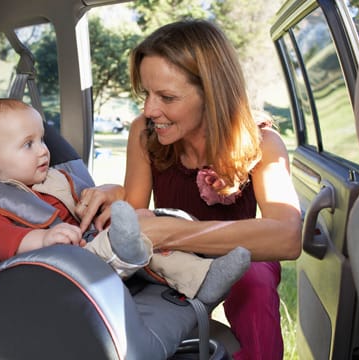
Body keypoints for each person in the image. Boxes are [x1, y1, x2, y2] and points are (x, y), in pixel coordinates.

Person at [79, 20, 302, 359]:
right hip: (173, 259)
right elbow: (137, 211)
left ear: (211, 94)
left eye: (167, 97)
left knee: (256, 280)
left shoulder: (264, 143)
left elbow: (287, 236)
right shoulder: (145, 132)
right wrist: (118, 192)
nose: (149, 110)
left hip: (237, 256)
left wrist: (174, 232)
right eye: (146, 94)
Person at [0, 98, 251, 311]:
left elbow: (83, 207)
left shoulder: (53, 180)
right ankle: (126, 244)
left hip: (91, 246)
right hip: (62, 268)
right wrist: (43, 238)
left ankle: (204, 277)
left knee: (149, 242)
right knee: (127, 238)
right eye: (28, 144)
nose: (44, 150)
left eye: (42, 140)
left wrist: (101, 210)